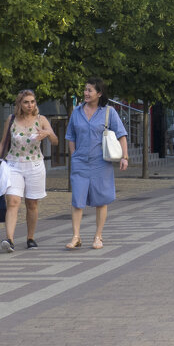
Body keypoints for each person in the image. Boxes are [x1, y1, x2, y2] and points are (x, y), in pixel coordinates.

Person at [0, 89, 58, 252]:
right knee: (13, 201)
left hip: (35, 165)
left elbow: (55, 141)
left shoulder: (41, 120)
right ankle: (9, 239)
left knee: (32, 203)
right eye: (26, 102)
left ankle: (30, 237)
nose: (30, 105)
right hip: (13, 165)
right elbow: (4, 142)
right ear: (19, 103)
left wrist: (47, 133)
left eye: (32, 101)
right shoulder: (11, 119)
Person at [64, 77, 129, 250]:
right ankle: (76, 236)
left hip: (101, 163)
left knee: (101, 200)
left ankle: (98, 236)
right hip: (80, 162)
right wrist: (74, 155)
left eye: (90, 90)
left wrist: (125, 157)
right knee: (77, 200)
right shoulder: (76, 112)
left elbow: (121, 135)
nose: (86, 93)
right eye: (85, 90)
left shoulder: (109, 112)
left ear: (99, 93)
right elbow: (70, 136)